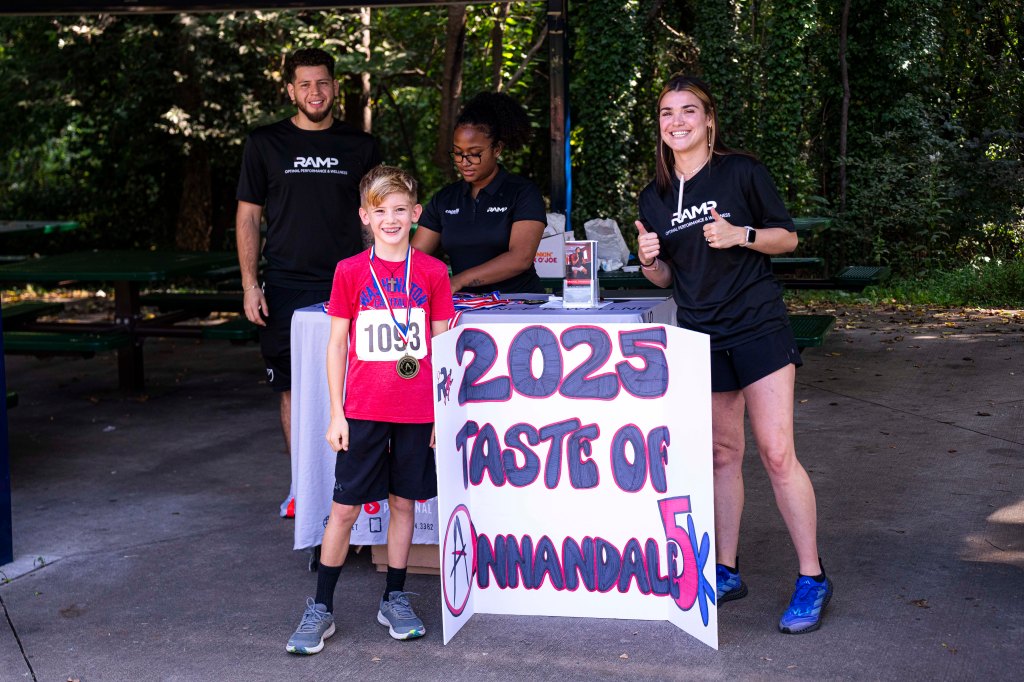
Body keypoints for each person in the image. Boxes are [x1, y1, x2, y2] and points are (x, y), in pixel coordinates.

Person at [634, 75, 833, 634]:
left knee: (776, 452)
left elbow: (786, 238)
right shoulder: (654, 195)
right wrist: (649, 260)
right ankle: (725, 570)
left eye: (688, 110)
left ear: (708, 120)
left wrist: (741, 234)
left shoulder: (741, 171)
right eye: (667, 112)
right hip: (702, 333)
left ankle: (813, 577)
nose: (677, 121)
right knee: (723, 454)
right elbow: (668, 278)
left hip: (757, 325)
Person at [285, 165, 454, 654]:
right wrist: (336, 413)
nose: (391, 220)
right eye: (381, 211)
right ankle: (321, 607)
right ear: (365, 216)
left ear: (416, 214)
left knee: (404, 503)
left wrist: (440, 412)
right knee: (344, 508)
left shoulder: (433, 272)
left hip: (417, 412)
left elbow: (442, 347)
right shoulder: (350, 271)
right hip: (363, 410)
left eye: (400, 210)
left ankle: (394, 597)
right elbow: (336, 345)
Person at [235, 47, 382, 516]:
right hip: (286, 286)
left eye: (322, 83)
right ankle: (302, 488)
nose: (314, 92)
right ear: (290, 90)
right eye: (304, 84)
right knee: (293, 390)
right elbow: (248, 216)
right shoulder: (264, 143)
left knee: (358, 387)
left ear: (335, 87)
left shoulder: (361, 146)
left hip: (351, 284)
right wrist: (250, 284)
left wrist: (382, 280)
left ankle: (356, 491)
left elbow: (377, 217)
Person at [411, 91, 547, 294]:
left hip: (519, 304)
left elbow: (520, 258)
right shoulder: (445, 199)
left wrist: (459, 281)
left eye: (474, 154)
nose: (464, 162)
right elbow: (415, 256)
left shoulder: (523, 192)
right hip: (466, 305)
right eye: (458, 153)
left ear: (497, 149)